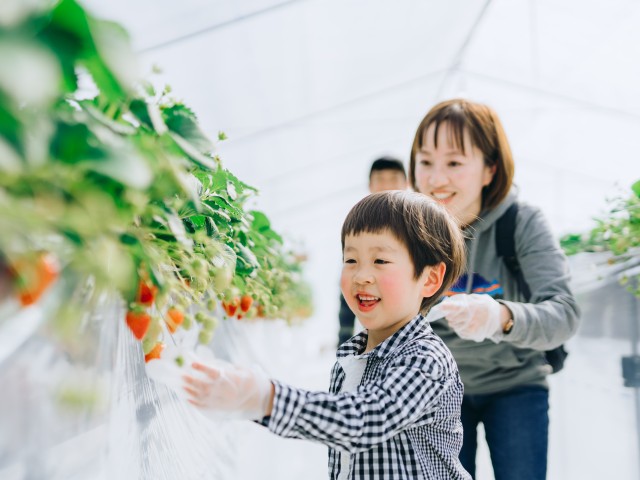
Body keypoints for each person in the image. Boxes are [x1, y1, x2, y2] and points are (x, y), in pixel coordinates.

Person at [184, 190, 471, 479]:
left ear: (430, 279)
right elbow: (343, 450)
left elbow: (364, 420)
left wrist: (266, 398)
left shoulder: (426, 359)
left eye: (380, 261)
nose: (361, 276)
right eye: (351, 260)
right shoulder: (351, 360)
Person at [408, 98, 580, 480]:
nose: (436, 179)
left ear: (489, 169)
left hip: (516, 386)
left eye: (454, 163)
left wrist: (501, 317)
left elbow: (565, 313)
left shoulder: (521, 222)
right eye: (425, 162)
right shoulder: (406, 231)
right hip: (438, 393)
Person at [338, 156, 408, 346]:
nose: (386, 185)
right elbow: (348, 287)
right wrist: (344, 341)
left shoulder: (416, 227)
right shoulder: (359, 228)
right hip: (375, 336)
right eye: (380, 179)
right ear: (370, 185)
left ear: (406, 183)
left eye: (393, 178)